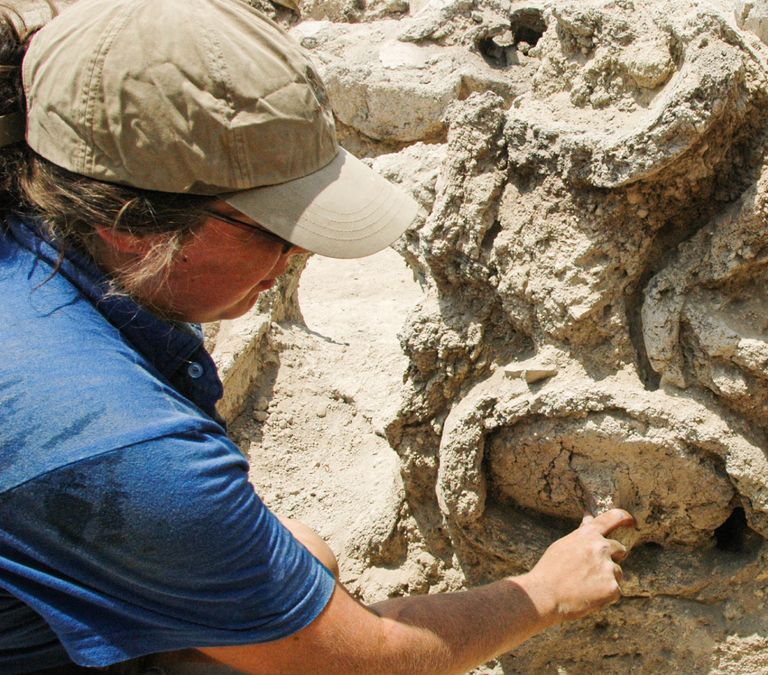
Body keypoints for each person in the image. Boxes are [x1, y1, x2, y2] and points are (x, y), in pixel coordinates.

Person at [0, 0, 634, 673]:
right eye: (279, 230)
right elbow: (360, 661)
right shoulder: (119, 443)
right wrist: (544, 593)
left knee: (304, 557)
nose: (300, 258)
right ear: (133, 225)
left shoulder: (37, 234)